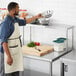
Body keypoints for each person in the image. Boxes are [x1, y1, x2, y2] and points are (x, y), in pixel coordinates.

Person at [0, 2, 43, 76]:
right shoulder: (6, 23)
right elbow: (4, 42)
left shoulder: (14, 19)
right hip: (6, 54)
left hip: (15, 51)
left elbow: (25, 21)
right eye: (18, 8)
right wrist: (9, 57)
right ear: (13, 10)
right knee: (7, 73)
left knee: (16, 71)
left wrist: (36, 17)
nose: (19, 10)